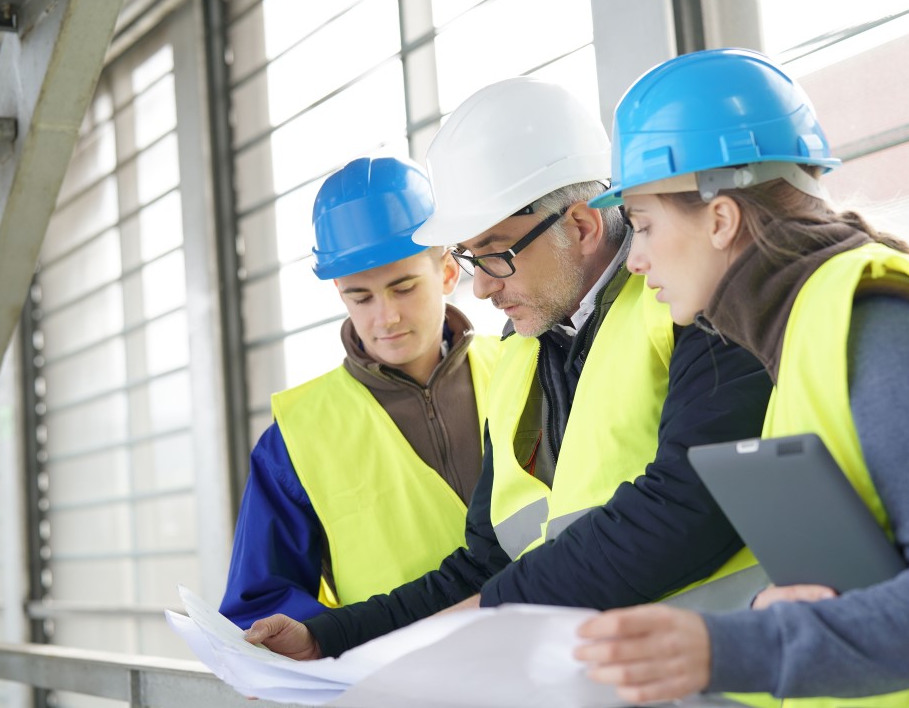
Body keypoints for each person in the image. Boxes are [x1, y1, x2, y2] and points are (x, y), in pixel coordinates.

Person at [573, 48, 909, 707]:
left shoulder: (875, 323)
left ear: (719, 218)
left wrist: (726, 649)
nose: (637, 259)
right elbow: (884, 577)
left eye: (644, 226)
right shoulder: (806, 331)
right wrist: (774, 612)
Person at [243, 76, 773, 660]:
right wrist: (330, 635)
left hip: (738, 679)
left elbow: (686, 508)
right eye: (470, 258)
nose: (482, 285)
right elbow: (485, 561)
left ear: (581, 225)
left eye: (496, 254)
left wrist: (493, 612)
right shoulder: (522, 353)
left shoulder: (691, 302)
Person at [219, 155, 499, 628]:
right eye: (360, 297)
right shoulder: (296, 437)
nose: (384, 317)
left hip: (553, 663)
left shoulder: (522, 366)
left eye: (404, 287)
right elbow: (262, 600)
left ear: (448, 272)